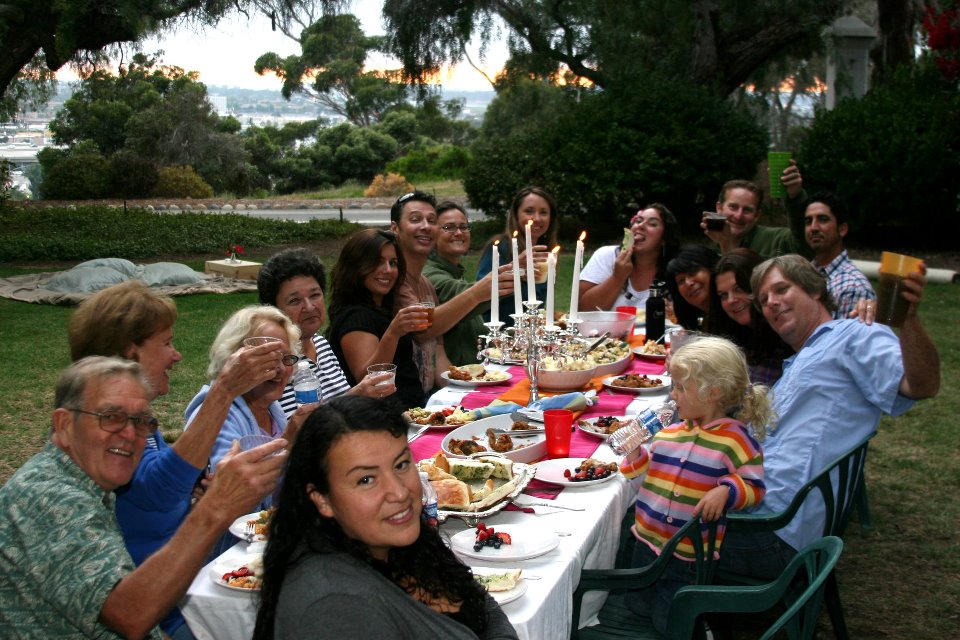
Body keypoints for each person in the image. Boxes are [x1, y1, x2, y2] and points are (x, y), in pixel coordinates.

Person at [0, 356, 286, 639]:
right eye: (111, 417)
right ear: (64, 425)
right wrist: (216, 506)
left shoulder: (85, 483)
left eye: (141, 421)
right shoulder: (48, 495)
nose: (129, 433)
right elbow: (128, 615)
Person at [67, 280, 285, 639]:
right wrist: (225, 389)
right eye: (166, 343)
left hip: (179, 588)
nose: (177, 354)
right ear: (130, 352)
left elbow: (161, 496)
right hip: (161, 608)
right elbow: (159, 489)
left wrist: (201, 495)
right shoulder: (107, 437)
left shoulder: (139, 423)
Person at [717, 255, 940, 580]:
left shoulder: (854, 335)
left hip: (774, 529)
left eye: (782, 290)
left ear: (815, 291)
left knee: (643, 524)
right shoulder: (803, 357)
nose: (772, 303)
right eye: (764, 300)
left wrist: (908, 320)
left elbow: (921, 385)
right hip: (754, 504)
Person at [251, 395, 519, 640]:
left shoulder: (398, 543)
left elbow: (481, 602)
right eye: (366, 479)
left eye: (401, 464)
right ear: (322, 498)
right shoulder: (335, 606)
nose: (399, 492)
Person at [619, 336, 773, 634]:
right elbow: (644, 473)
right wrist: (635, 452)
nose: (673, 396)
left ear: (712, 392)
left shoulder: (735, 441)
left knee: (672, 621)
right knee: (637, 606)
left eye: (680, 387)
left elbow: (755, 487)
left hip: (688, 553)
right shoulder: (670, 433)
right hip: (646, 540)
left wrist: (726, 491)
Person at [184, 305, 314, 490]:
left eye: (286, 358)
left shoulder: (270, 409)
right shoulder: (215, 415)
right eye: (267, 358)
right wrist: (288, 444)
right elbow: (233, 495)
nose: (280, 369)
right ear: (236, 359)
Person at [257, 248, 397, 416]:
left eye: (315, 295)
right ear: (274, 309)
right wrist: (356, 396)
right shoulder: (278, 362)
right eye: (295, 301)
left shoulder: (321, 344)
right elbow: (292, 429)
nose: (309, 307)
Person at [327, 228, 428, 408]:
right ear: (356, 266)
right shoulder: (355, 317)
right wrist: (393, 333)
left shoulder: (381, 310)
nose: (388, 270)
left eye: (393, 263)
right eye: (378, 262)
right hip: (387, 420)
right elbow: (368, 378)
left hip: (415, 412)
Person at [423, 201, 514, 366]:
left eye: (463, 227)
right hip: (452, 379)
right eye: (449, 227)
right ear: (432, 234)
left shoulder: (455, 271)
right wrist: (513, 274)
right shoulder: (429, 274)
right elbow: (459, 292)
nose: (458, 233)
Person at [704, 248, 792, 385]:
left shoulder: (784, 334)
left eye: (738, 289)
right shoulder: (733, 337)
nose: (731, 300)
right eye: (723, 295)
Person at [476, 186, 558, 326]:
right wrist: (517, 270)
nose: (537, 218)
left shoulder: (547, 254)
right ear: (516, 215)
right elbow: (480, 293)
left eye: (543, 212)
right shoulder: (499, 247)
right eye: (529, 211)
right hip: (499, 336)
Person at [578, 203, 682, 311]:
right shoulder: (606, 256)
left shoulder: (676, 269)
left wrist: (673, 313)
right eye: (638, 221)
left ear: (664, 239)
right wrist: (617, 277)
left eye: (652, 224)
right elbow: (582, 310)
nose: (640, 225)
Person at [701, 162, 809, 260]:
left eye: (747, 210)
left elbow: (804, 242)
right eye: (733, 207)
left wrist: (795, 197)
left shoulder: (777, 240)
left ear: (757, 215)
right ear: (719, 208)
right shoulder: (707, 253)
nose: (738, 216)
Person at [803, 191, 875, 319]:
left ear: (842, 229)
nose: (813, 227)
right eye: (808, 221)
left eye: (822, 219)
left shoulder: (854, 287)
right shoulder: (803, 274)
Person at [666, 244, 720, 329]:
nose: (688, 283)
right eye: (681, 280)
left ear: (712, 269)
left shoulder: (734, 312)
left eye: (693, 272)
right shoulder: (698, 321)